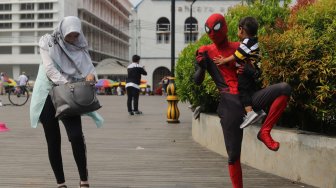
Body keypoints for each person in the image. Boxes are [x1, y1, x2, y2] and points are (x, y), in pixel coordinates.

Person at [194, 13, 291, 188]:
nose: (213, 33)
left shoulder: (242, 47)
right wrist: (201, 67)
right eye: (209, 29)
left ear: (225, 27)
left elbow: (257, 74)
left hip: (249, 97)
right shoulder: (205, 51)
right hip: (230, 102)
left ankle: (265, 131)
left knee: (284, 89)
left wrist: (248, 70)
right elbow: (197, 81)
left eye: (216, 28)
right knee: (233, 155)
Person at [29, 16, 104, 188]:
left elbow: (89, 69)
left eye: (75, 35)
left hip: (69, 97)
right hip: (47, 94)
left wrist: (92, 77)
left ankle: (84, 180)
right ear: (62, 31)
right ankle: (60, 183)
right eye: (69, 35)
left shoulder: (80, 47)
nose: (72, 39)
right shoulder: (48, 42)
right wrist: (68, 84)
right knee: (53, 140)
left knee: (76, 136)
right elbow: (49, 69)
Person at [213, 17, 266, 129]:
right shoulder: (253, 41)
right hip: (252, 71)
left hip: (246, 72)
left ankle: (250, 113)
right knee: (251, 91)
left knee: (242, 91)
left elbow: (238, 55)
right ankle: (259, 111)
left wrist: (224, 60)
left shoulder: (247, 42)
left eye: (238, 29)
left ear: (241, 29)